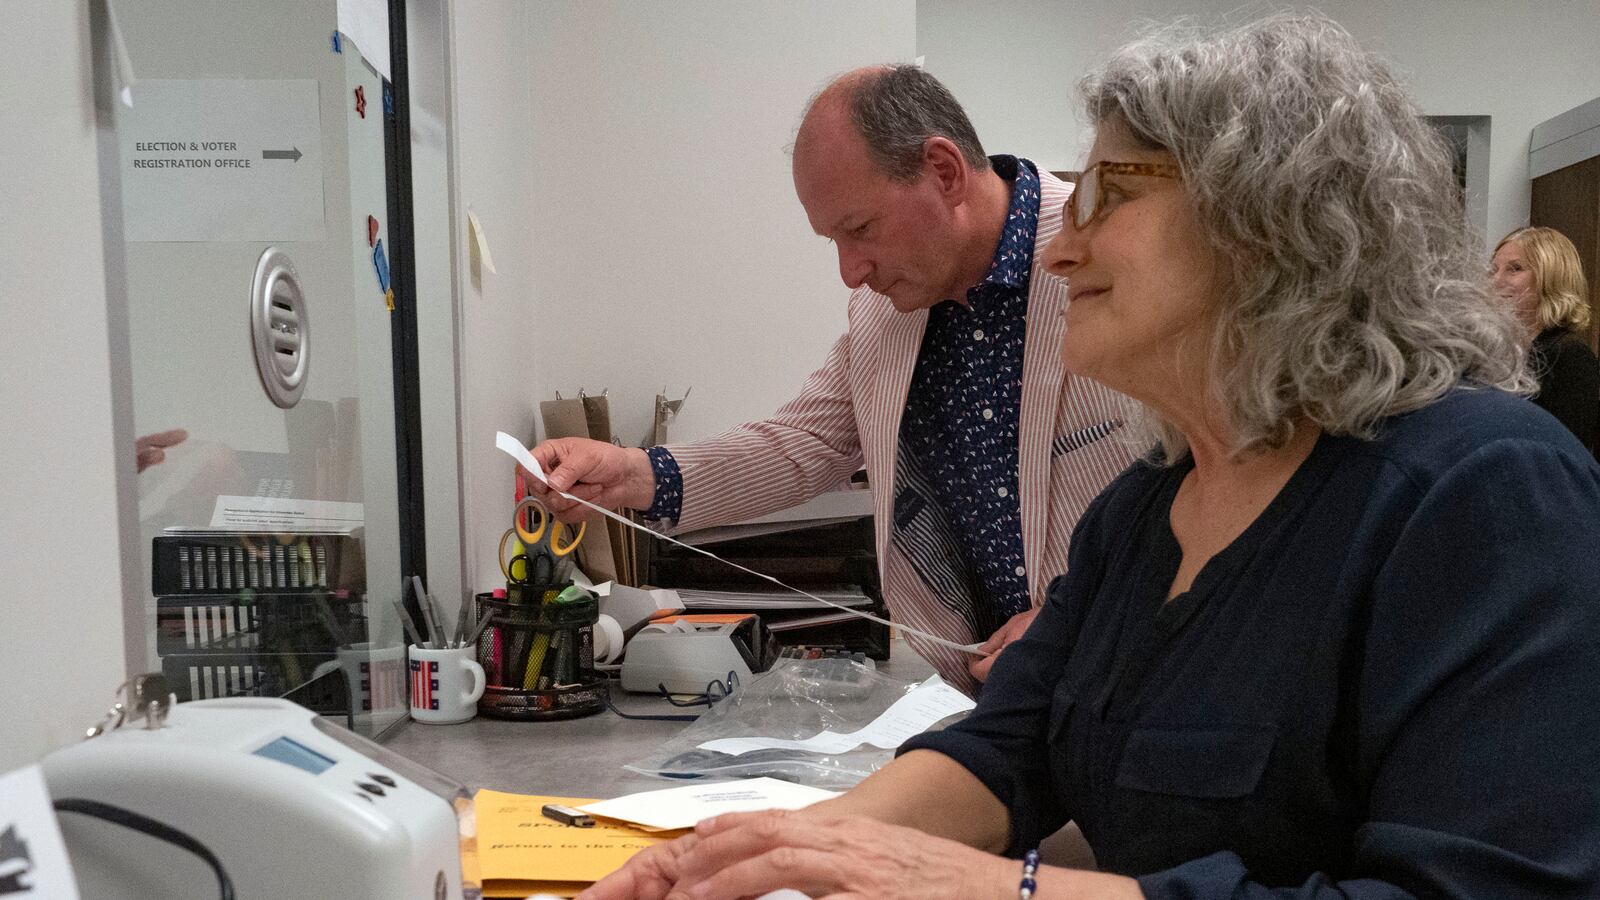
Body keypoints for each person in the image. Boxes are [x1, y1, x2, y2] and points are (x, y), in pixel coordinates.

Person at [579, 14, 1600, 899]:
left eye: (1109, 195)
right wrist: (769, 853)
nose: (1063, 247)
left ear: (1269, 216)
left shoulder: (1489, 491)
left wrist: (989, 886)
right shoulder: (1150, 509)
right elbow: (1007, 748)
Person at [528, 66, 1133, 690]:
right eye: (833, 241)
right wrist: (629, 473)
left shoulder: (1106, 255)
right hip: (1005, 697)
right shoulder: (884, 313)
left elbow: (1219, 484)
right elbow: (801, 446)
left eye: (861, 229)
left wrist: (1075, 614)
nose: (850, 271)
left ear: (944, 172)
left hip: (1144, 681)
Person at [1490, 226, 1599, 453]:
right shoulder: (1494, 352)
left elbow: (1567, 452)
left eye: (1514, 269)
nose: (1495, 281)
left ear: (1551, 279)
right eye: (1493, 270)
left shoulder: (1570, 357)